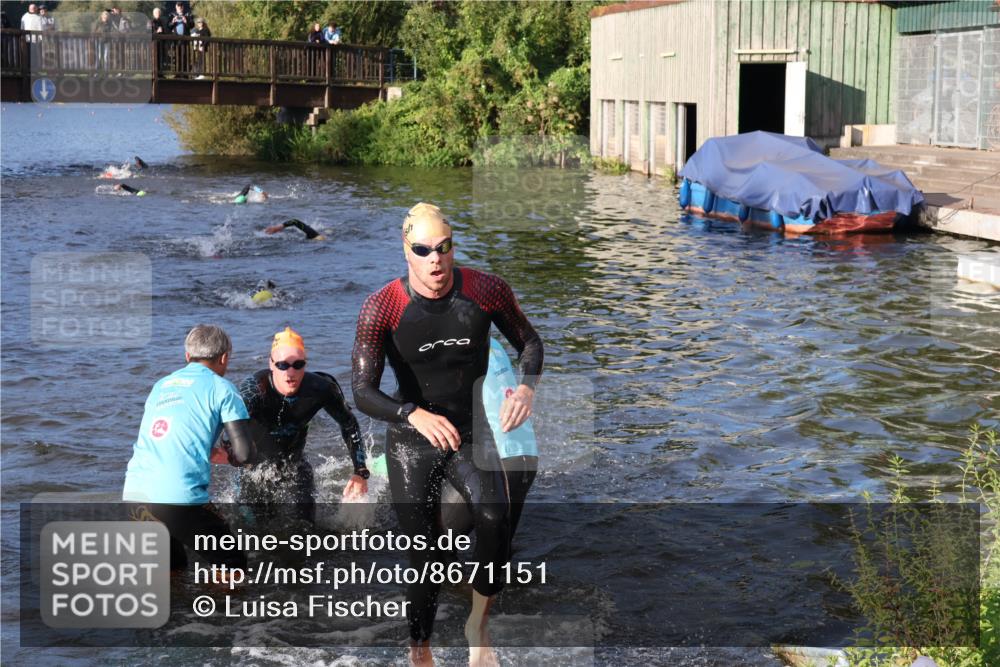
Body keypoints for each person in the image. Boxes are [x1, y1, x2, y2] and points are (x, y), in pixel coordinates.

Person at [351, 202, 543, 667]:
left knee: (497, 515)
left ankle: (478, 623)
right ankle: (420, 648)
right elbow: (362, 391)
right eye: (423, 250)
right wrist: (410, 413)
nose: (435, 259)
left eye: (444, 248)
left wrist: (525, 388)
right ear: (407, 251)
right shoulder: (383, 306)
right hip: (412, 441)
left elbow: (530, 343)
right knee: (425, 556)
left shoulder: (485, 290)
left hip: (467, 431)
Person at [123, 325, 257, 575]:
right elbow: (246, 454)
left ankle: (180, 613)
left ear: (187, 356)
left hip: (135, 494)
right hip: (178, 499)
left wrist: (217, 454)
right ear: (225, 357)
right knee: (232, 562)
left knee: (172, 566)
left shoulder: (160, 386)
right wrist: (243, 455)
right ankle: (225, 614)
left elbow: (176, 441)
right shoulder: (223, 389)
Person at [233, 327, 368, 526]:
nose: (290, 372)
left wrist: (360, 471)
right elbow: (228, 426)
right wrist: (228, 451)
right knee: (252, 531)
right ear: (271, 363)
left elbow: (349, 424)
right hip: (254, 472)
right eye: (282, 365)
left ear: (305, 364)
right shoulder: (254, 390)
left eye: (298, 365)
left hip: (294, 466)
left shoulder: (321, 388)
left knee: (305, 527)